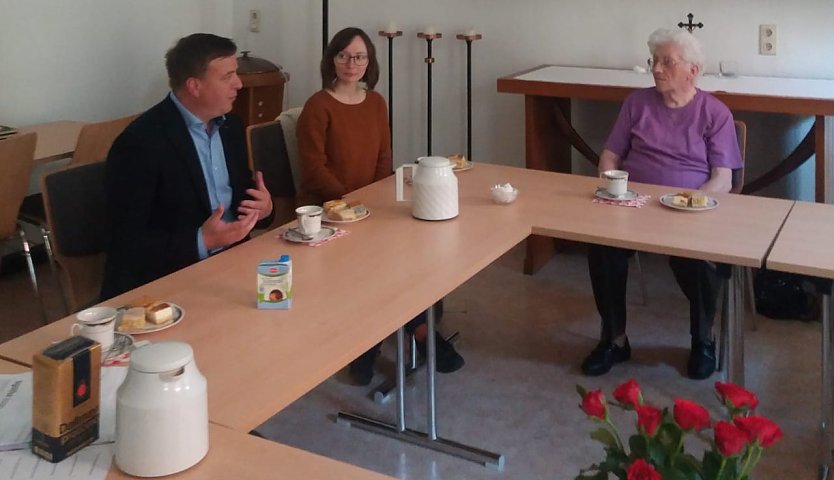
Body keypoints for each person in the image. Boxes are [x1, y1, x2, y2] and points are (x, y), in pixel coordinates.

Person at [296, 27, 464, 385]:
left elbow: (383, 158)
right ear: (331, 60)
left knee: (407, 258)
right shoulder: (317, 106)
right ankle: (405, 339)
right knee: (373, 269)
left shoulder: (375, 102)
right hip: (329, 211)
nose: (351, 64)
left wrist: (376, 199)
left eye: (359, 57)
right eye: (343, 56)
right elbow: (314, 169)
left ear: (369, 62)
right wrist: (352, 204)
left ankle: (398, 337)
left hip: (369, 206)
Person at [581, 28, 742, 380]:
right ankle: (614, 339)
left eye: (667, 62)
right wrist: (611, 185)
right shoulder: (636, 104)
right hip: (632, 204)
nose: (656, 69)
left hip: (689, 208)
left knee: (698, 262)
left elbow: (723, 179)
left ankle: (702, 341)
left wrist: (693, 203)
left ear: (693, 70)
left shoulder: (715, 112)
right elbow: (610, 154)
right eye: (654, 61)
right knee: (601, 247)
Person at [101, 33, 273, 299]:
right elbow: (125, 244)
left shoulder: (230, 127)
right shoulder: (139, 144)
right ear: (194, 86)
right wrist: (202, 241)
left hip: (232, 264)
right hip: (171, 280)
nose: (239, 84)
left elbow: (242, 199)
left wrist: (264, 209)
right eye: (227, 77)